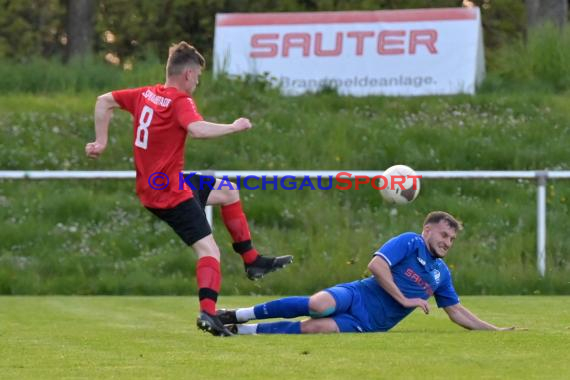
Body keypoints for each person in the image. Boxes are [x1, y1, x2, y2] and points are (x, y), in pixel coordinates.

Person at [85, 41, 292, 337]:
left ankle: (252, 261)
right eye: (197, 77)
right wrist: (234, 126)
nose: (197, 82)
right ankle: (208, 313)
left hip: (161, 183)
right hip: (168, 193)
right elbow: (197, 129)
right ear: (188, 74)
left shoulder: (145, 94)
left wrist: (101, 141)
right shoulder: (180, 100)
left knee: (228, 191)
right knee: (209, 250)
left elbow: (104, 100)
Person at [217, 211, 516, 335]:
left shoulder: (441, 273)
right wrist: (406, 299)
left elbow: (456, 311)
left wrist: (496, 331)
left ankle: (239, 331)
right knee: (318, 305)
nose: (447, 243)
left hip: (369, 323)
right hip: (357, 294)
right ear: (427, 230)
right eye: (442, 235)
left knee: (315, 328)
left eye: (451, 239)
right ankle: (238, 314)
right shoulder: (410, 242)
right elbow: (376, 265)